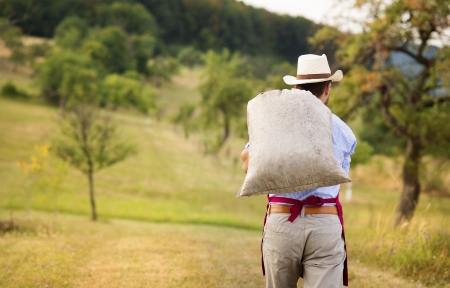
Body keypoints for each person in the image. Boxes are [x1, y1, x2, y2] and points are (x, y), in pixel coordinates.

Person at [241, 54, 356, 288]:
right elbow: (338, 183)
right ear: (328, 88)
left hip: (283, 221)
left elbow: (248, 163)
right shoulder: (343, 130)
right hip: (325, 222)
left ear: (295, 86)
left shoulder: (275, 122)